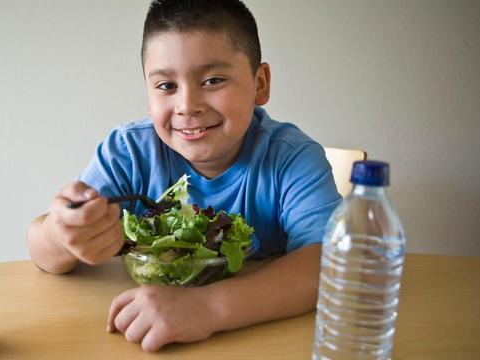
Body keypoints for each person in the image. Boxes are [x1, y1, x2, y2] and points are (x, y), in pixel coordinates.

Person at [26, 0, 341, 352]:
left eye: (212, 80)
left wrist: (208, 307)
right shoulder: (129, 152)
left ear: (260, 83)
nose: (188, 105)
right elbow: (43, 251)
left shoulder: (292, 158)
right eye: (165, 86)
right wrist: (62, 233)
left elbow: (329, 263)